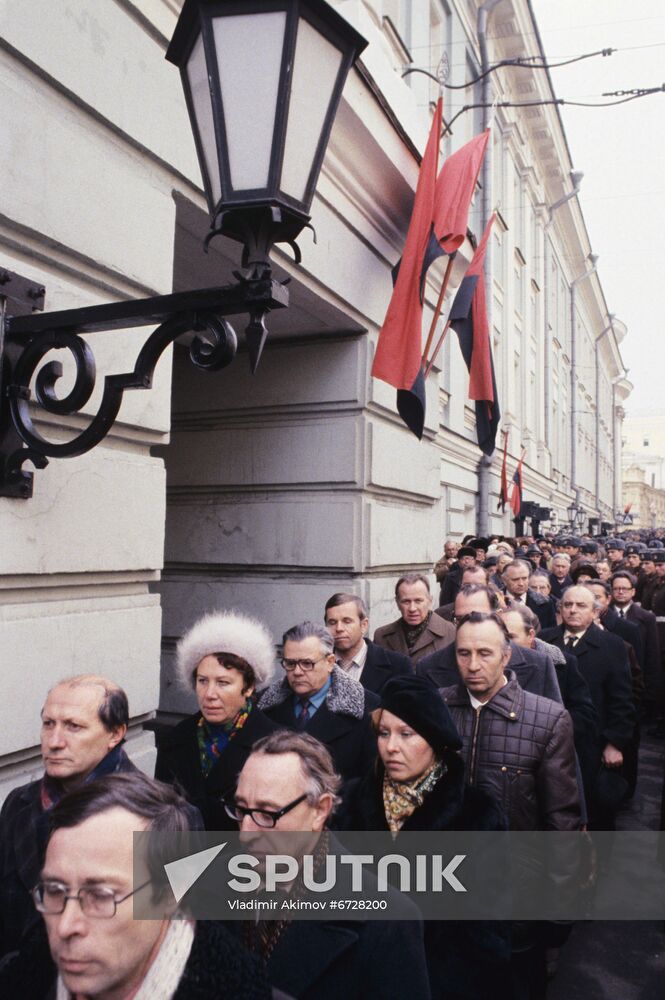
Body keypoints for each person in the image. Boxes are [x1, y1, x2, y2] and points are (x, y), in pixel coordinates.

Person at [4, 770, 270, 999]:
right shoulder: (31, 972)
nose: (65, 927)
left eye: (101, 895)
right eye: (54, 890)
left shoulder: (234, 988)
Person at [337, 675, 509, 1000]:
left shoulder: (475, 816)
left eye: (406, 734)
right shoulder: (348, 803)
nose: (391, 747)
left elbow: (486, 931)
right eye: (384, 733)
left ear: (434, 739)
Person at [227, 730, 431, 999]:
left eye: (267, 814)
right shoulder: (213, 883)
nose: (246, 833)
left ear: (320, 810)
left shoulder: (389, 920)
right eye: (242, 809)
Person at [0, 675, 135, 958]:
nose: (55, 741)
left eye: (74, 726)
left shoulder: (161, 815)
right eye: (48, 724)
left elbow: (173, 944)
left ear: (115, 734)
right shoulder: (18, 804)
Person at [154, 610, 279, 830]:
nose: (209, 693)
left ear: (249, 687)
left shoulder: (276, 744)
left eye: (223, 682)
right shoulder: (175, 739)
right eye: (203, 681)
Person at [540, 586, 636, 828]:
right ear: (559, 609)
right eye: (567, 605)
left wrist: (615, 743)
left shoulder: (612, 645)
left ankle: (597, 864)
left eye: (581, 606)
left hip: (592, 744)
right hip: (548, 740)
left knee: (595, 813)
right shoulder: (544, 641)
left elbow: (622, 700)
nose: (572, 610)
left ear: (595, 612)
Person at [259, 621, 379, 782]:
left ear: (330, 662)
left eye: (307, 663)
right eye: (290, 663)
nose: (297, 672)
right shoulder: (265, 705)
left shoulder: (366, 708)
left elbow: (370, 782)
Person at [416, 584, 562, 703]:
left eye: (478, 617)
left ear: (498, 615)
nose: (470, 625)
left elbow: (553, 725)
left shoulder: (540, 664)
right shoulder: (429, 666)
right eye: (461, 619)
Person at [323, 592, 412, 693]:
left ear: (364, 625)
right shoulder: (316, 664)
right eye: (332, 622)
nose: (339, 628)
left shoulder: (398, 665)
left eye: (347, 621)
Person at [611, 570, 662, 723]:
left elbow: (652, 655)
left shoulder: (646, 617)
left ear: (633, 591)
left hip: (634, 683)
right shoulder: (603, 615)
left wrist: (649, 691)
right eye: (616, 588)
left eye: (624, 589)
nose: (620, 592)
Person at [373, 572, 455, 663]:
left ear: (430, 601)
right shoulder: (382, 636)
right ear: (397, 603)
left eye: (418, 601)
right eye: (406, 602)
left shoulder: (450, 632)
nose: (412, 608)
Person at [502, 560, 557, 629]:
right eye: (515, 579)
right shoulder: (493, 600)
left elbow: (550, 634)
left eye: (524, 578)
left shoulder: (545, 603)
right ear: (504, 580)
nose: (521, 583)